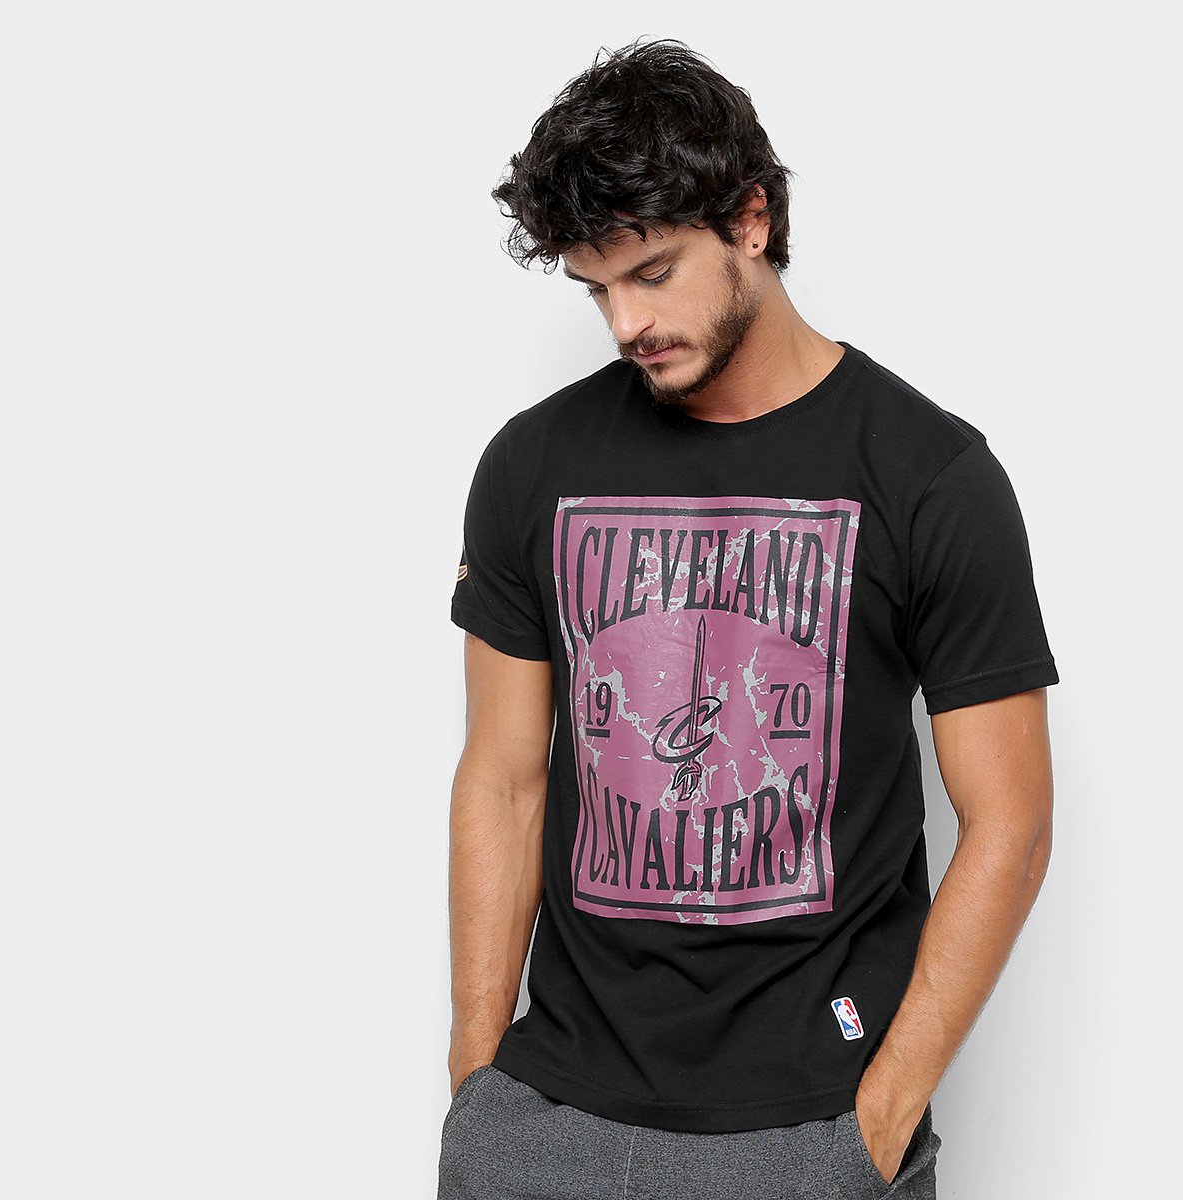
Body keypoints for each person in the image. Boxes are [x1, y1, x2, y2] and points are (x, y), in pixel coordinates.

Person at [440, 38, 1058, 1200]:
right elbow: (505, 779)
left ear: (751, 219)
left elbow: (1011, 823)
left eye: (653, 272)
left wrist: (875, 1123)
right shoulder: (532, 465)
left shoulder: (928, 475)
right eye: (597, 289)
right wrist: (479, 1091)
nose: (627, 322)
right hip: (550, 1121)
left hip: (812, 1129)